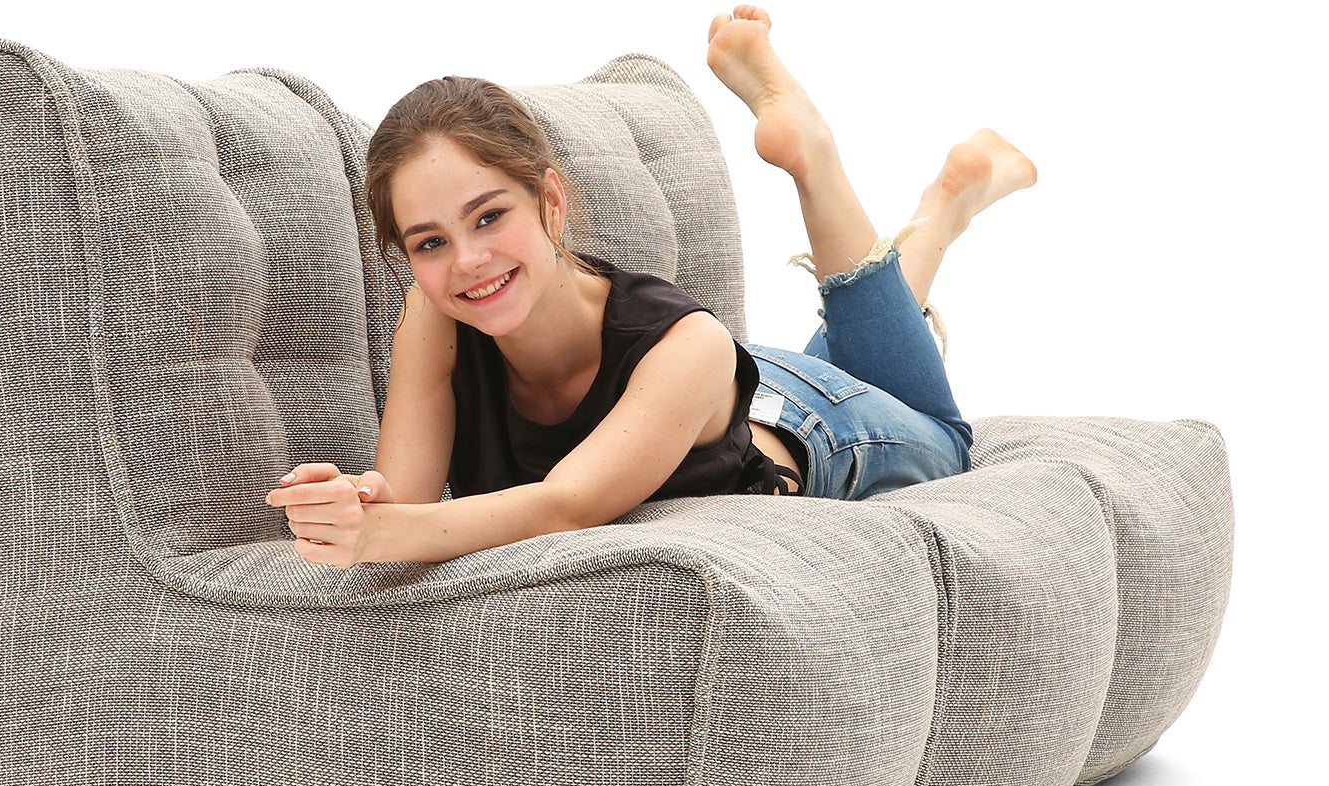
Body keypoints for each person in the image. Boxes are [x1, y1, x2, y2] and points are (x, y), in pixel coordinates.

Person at [265, 5, 1037, 568]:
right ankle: (941, 209)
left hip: (807, 424)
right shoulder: (432, 317)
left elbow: (566, 505)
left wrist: (377, 534)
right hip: (695, 393)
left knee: (946, 437)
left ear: (551, 202)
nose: (466, 260)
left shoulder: (686, 340)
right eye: (430, 242)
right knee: (848, 352)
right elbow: (403, 500)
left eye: (489, 216)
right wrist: (351, 501)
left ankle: (831, 165)